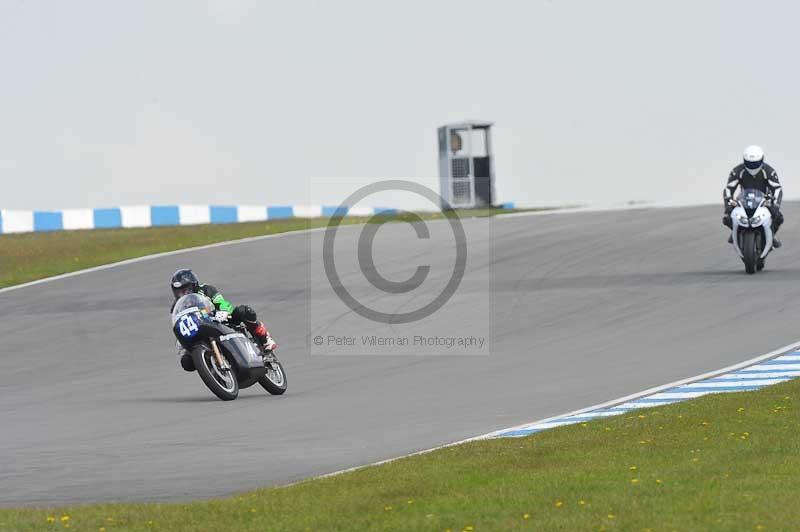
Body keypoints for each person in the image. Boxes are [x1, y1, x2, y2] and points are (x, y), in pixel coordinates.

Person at [170, 269, 277, 371]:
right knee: (186, 362)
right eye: (179, 292)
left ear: (194, 285)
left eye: (186, 290)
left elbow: (222, 302)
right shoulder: (177, 305)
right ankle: (212, 367)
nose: (182, 294)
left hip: (220, 319)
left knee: (244, 311)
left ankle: (265, 340)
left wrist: (224, 311)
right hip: (199, 328)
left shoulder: (206, 289)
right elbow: (178, 321)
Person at [722, 145, 784, 248]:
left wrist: (776, 205)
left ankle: (772, 235)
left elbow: (777, 188)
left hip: (764, 200)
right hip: (743, 200)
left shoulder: (768, 171)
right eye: (750, 163)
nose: (752, 166)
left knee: (778, 217)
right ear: (744, 160)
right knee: (727, 218)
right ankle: (734, 232)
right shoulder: (737, 171)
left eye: (755, 163)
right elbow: (729, 188)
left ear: (762, 160)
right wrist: (728, 203)